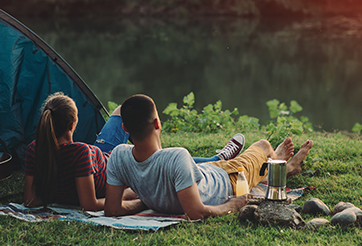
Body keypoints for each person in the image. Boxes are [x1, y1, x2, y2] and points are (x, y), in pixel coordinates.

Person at [23, 93, 246, 212]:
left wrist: (54, 193)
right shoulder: (79, 153)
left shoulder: (35, 150)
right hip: (110, 160)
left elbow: (31, 201)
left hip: (99, 154)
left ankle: (208, 157)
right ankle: (217, 159)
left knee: (125, 108)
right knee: (153, 155)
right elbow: (89, 204)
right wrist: (140, 200)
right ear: (73, 124)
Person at [105, 94, 313, 220]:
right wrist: (233, 205)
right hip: (231, 181)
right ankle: (285, 168)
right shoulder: (177, 157)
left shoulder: (119, 155)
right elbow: (196, 213)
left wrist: (145, 202)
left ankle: (268, 171)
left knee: (229, 165)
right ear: (158, 123)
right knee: (264, 145)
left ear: (124, 128)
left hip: (211, 171)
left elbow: (112, 210)